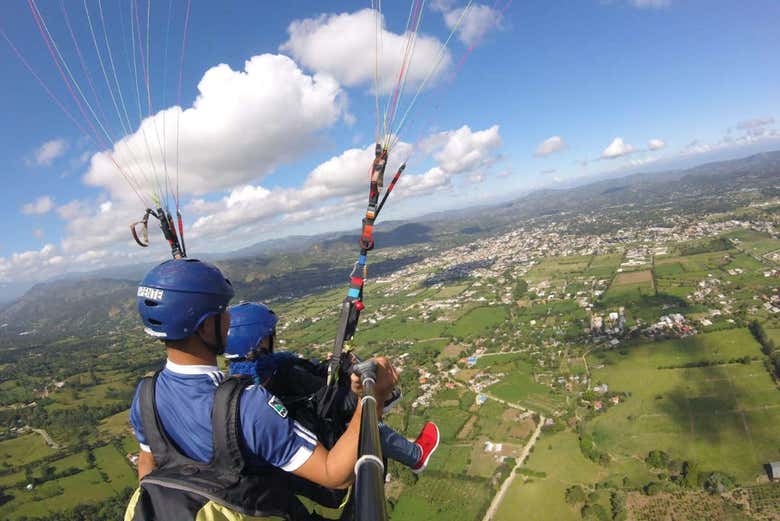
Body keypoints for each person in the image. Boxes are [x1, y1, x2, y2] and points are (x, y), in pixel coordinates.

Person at [124, 258, 399, 521]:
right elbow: (334, 473)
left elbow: (148, 465)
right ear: (206, 326)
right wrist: (371, 400)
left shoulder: (145, 396)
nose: (229, 320)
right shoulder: (246, 406)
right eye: (223, 312)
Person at [225, 302, 440, 474]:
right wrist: (353, 375)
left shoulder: (245, 388)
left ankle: (387, 400)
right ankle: (415, 455)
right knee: (361, 417)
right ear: (260, 342)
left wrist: (334, 367)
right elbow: (330, 403)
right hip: (325, 432)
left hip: (309, 432)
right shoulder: (283, 374)